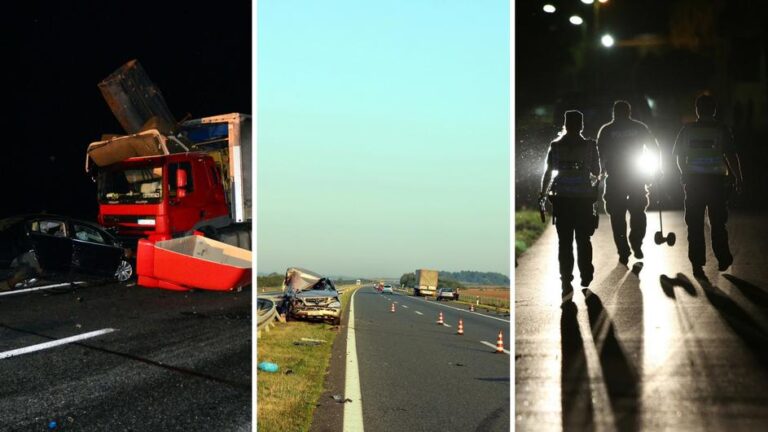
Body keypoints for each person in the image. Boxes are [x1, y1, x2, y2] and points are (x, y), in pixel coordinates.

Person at [673, 94, 743, 277]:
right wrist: (738, 177)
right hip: (716, 184)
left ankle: (697, 262)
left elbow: (679, 157)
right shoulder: (722, 129)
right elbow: (731, 156)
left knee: (694, 224)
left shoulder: (687, 130)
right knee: (718, 222)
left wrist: (685, 173)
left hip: (693, 183)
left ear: (697, 110)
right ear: (714, 110)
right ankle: (723, 258)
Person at [540, 110, 601, 291]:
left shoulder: (555, 146)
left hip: (563, 202)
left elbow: (549, 172)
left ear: (565, 125)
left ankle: (566, 277)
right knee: (584, 239)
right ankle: (586, 275)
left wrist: (542, 195)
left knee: (564, 242)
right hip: (583, 201)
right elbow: (596, 172)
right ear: (581, 126)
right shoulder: (590, 146)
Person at [597, 100, 661, 265]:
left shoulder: (606, 130)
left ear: (614, 113)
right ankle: (636, 242)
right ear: (629, 112)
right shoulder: (640, 128)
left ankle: (623, 251)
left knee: (617, 216)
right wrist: (656, 170)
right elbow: (654, 148)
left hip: (615, 179)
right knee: (638, 212)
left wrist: (600, 172)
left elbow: (600, 154)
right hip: (636, 177)